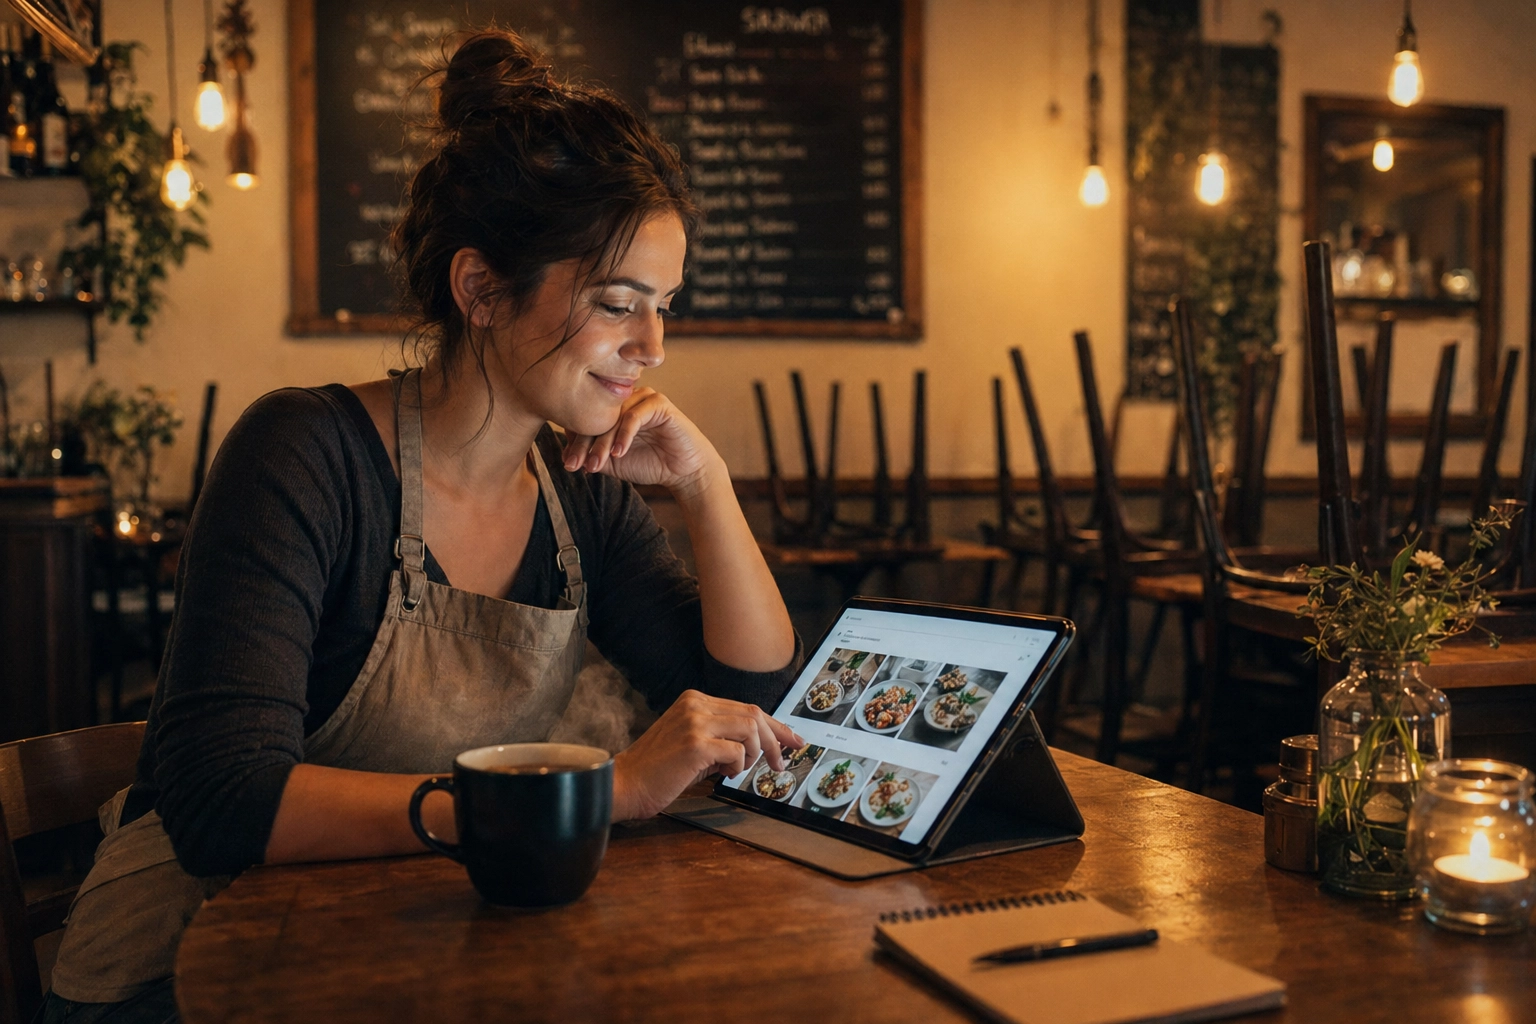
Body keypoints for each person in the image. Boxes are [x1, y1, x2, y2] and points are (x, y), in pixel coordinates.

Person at [41, 29, 802, 1023]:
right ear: (481, 289)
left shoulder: (583, 494)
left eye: (663, 306)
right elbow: (223, 800)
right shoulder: (303, 456)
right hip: (183, 964)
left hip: (406, 946)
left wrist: (705, 483)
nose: (652, 345)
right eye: (620, 304)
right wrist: (594, 794)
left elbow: (748, 701)